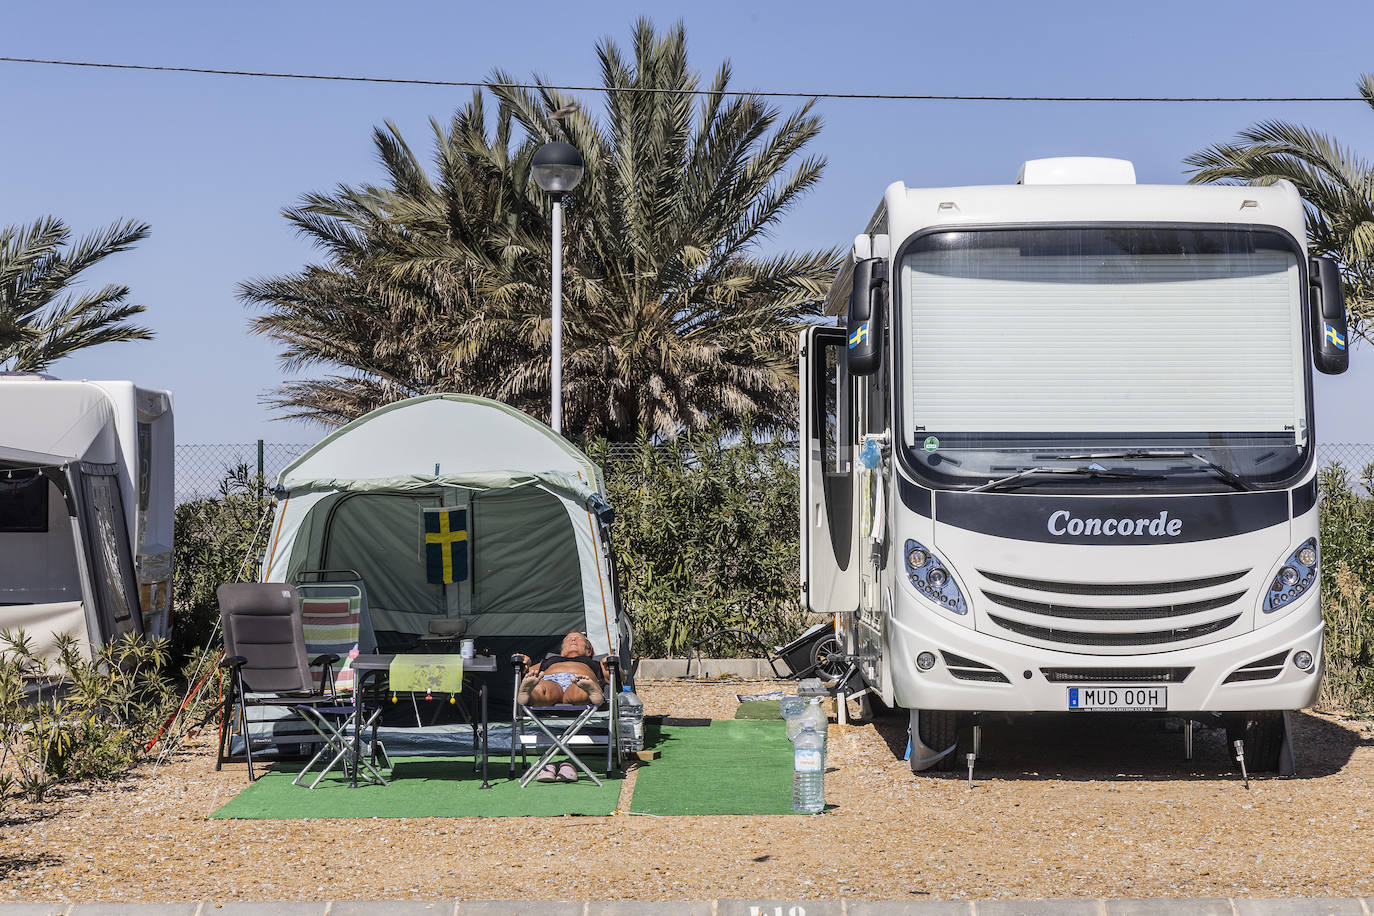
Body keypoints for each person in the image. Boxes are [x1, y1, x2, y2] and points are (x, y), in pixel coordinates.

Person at [514, 631, 612, 783]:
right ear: (561, 649)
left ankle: (591, 691)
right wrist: (524, 665)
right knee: (542, 689)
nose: (573, 639)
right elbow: (530, 671)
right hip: (551, 680)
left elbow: (615, 678)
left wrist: (614, 665)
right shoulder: (550, 660)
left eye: (578, 638)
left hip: (580, 680)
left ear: (589, 650)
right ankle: (529, 693)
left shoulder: (595, 662)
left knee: (577, 692)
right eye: (568, 639)